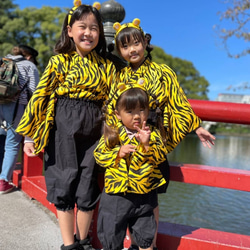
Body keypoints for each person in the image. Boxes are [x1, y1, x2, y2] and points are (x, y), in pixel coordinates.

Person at [107, 18, 216, 250]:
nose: (132, 50)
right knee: (126, 192)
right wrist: (112, 138)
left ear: (145, 43)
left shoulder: (163, 72)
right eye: (125, 46)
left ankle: (148, 244)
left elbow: (179, 102)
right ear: (120, 50)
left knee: (149, 192)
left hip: (152, 136)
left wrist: (196, 126)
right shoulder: (119, 75)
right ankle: (132, 242)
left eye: (136, 43)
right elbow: (110, 107)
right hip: (125, 137)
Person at [15, 1, 116, 250]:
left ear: (100, 34)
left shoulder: (107, 66)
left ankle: (84, 241)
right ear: (70, 30)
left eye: (94, 28)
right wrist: (29, 136)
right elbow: (40, 97)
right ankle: (69, 245)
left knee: (89, 182)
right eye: (82, 27)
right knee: (64, 179)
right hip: (63, 124)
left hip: (96, 125)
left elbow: (115, 100)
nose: (88, 33)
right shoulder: (58, 62)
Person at [94, 81, 168, 250]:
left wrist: (147, 145)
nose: (136, 116)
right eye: (130, 111)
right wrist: (118, 153)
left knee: (146, 238)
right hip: (116, 195)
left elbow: (160, 157)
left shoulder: (153, 134)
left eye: (141, 110)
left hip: (143, 195)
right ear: (118, 114)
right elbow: (98, 156)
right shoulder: (112, 134)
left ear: (147, 112)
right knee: (111, 237)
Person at [0, 45, 39, 194]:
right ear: (29, 56)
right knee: (12, 143)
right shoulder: (29, 65)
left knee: (2, 137)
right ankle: (3, 181)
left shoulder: (4, 61)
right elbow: (35, 92)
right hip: (16, 106)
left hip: (1, 104)